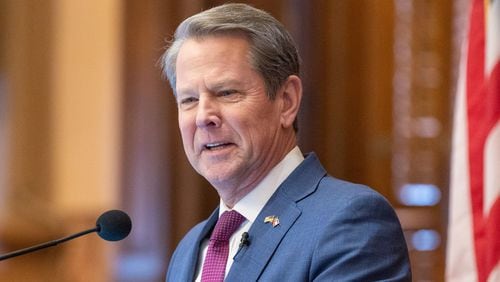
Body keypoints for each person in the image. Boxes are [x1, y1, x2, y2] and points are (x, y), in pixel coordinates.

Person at [161, 3, 411, 282]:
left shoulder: (350, 222)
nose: (204, 117)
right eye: (189, 100)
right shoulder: (189, 248)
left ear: (287, 101)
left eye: (227, 92)